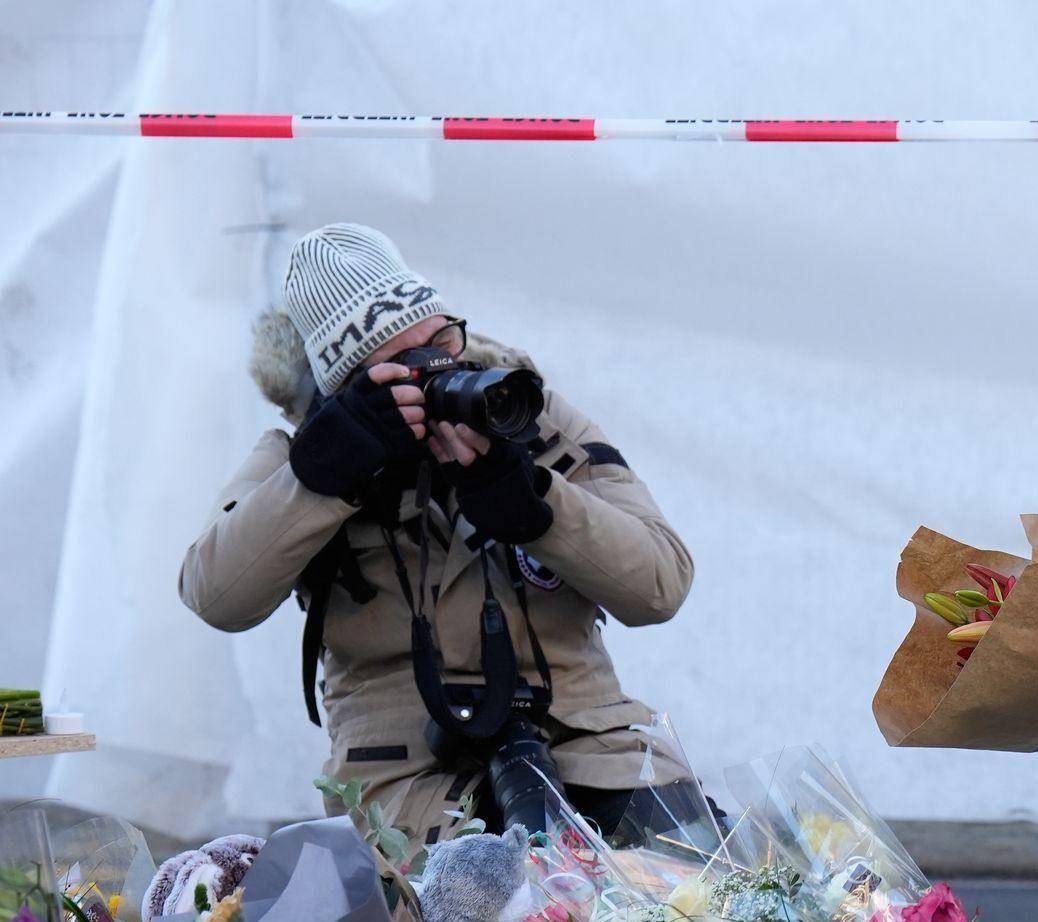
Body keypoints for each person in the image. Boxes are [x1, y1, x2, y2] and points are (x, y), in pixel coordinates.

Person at [179, 223, 706, 848]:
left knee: (688, 871)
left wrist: (538, 507)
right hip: (409, 773)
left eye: (440, 342)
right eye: (404, 366)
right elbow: (213, 594)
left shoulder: (526, 415)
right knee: (484, 888)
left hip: (586, 738)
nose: (437, 370)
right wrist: (322, 480)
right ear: (351, 388)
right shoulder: (305, 458)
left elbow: (662, 584)